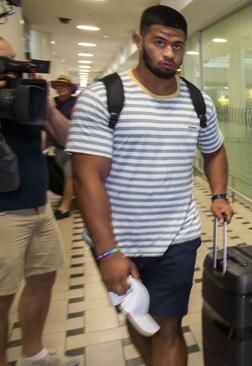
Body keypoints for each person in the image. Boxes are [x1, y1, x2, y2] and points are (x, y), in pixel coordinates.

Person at [66, 5, 233, 366]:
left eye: (177, 45)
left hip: (177, 236)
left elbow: (215, 149)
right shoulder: (103, 98)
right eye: (160, 42)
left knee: (168, 327)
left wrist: (218, 194)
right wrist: (109, 252)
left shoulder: (197, 101)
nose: (169, 53)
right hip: (118, 238)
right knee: (140, 320)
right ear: (139, 41)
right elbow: (86, 178)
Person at [0, 37, 78, 366]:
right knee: (1, 296)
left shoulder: (29, 98)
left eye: (14, 62)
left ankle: (34, 355)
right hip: (4, 214)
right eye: (5, 63)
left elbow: (68, 139)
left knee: (44, 276)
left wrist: (47, 110)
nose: (13, 69)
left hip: (39, 206)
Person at [49, 75, 77, 219]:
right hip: (58, 147)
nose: (60, 88)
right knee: (65, 174)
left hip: (74, 147)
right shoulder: (53, 103)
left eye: (63, 85)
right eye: (58, 86)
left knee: (69, 174)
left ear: (71, 88)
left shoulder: (77, 103)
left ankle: (65, 208)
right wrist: (45, 146)